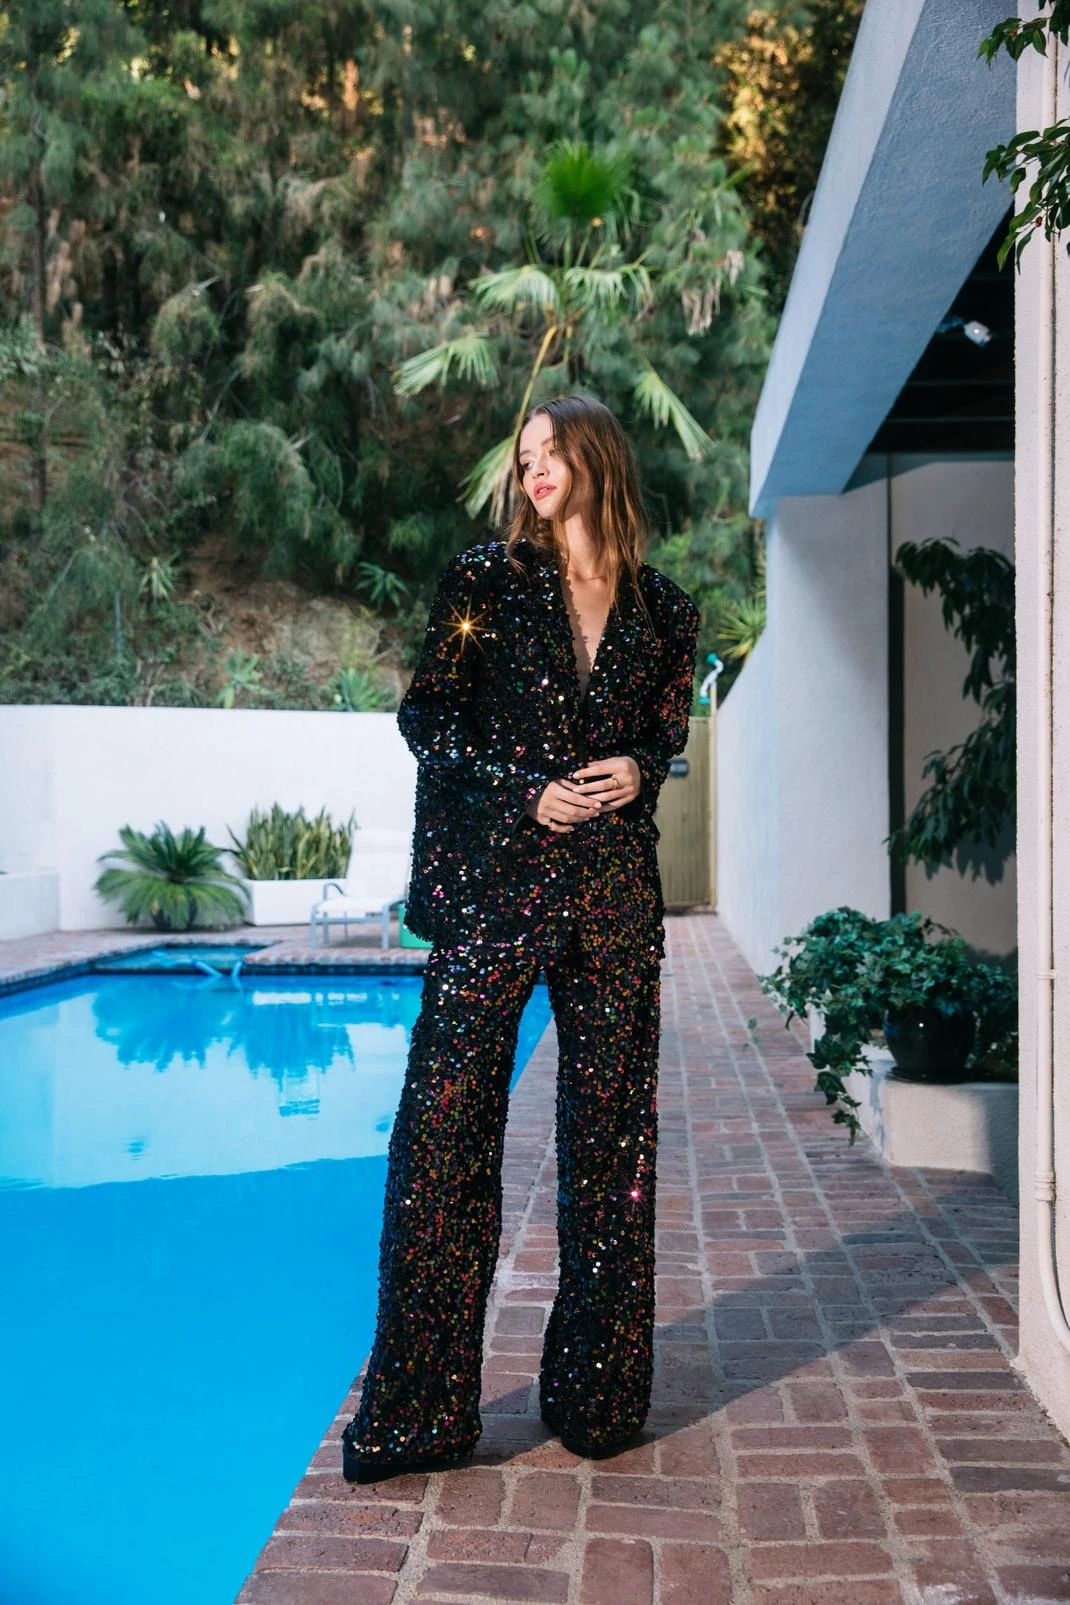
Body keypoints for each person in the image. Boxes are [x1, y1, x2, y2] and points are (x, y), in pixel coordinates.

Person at [340, 393, 700, 1482]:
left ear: (597, 459)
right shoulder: (484, 583)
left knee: (612, 1147)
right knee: (444, 1135)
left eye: (553, 451)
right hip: (494, 886)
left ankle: (597, 1396)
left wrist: (639, 768)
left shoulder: (666, 609)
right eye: (525, 455)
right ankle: (418, 1413)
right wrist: (518, 788)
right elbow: (428, 718)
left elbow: (662, 735)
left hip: (612, 899)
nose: (534, 469)